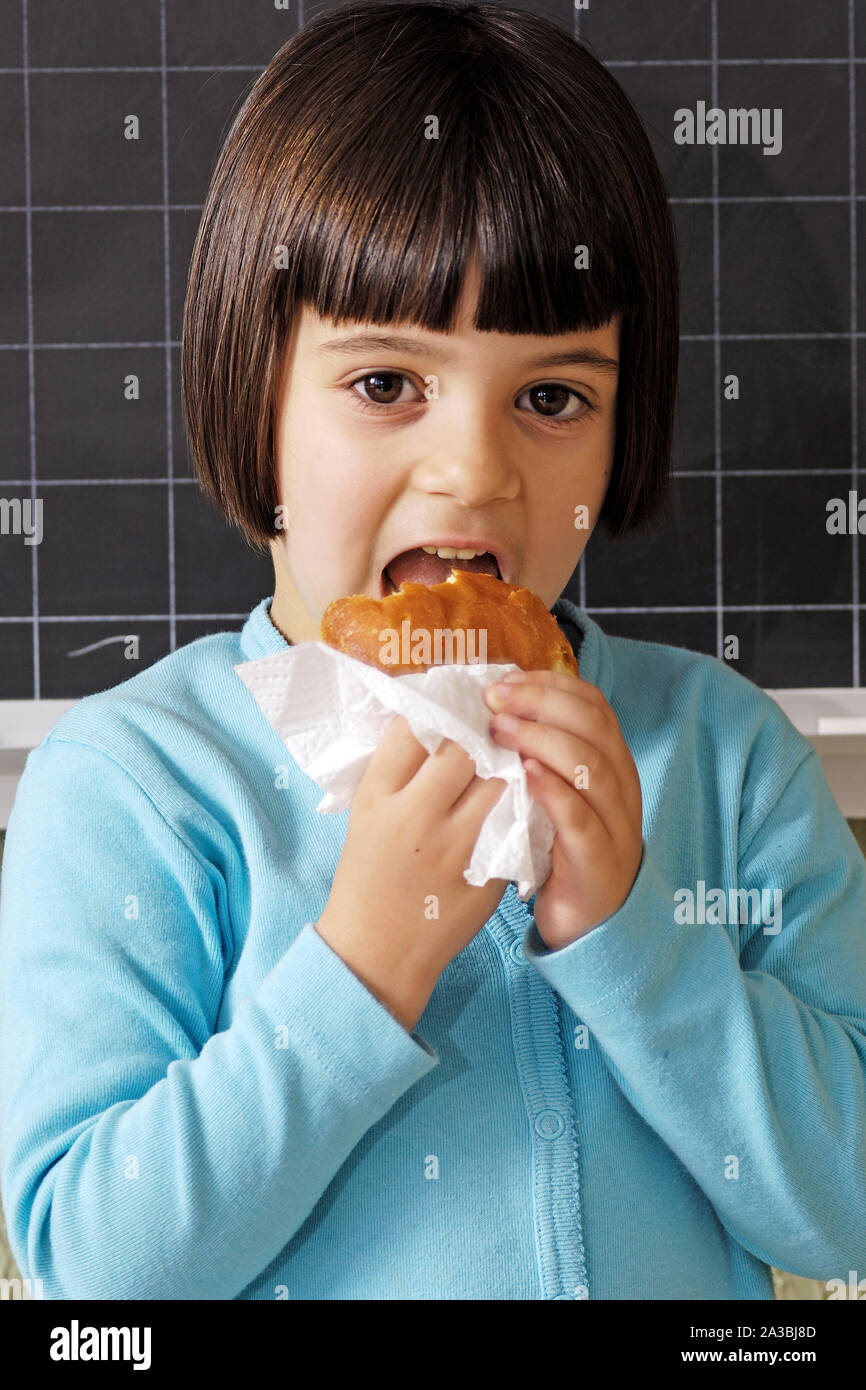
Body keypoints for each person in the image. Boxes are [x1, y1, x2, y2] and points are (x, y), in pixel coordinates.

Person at [1, 1, 864, 1301]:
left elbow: (841, 1212)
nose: (471, 470)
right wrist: (364, 961)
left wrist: (632, 939)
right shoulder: (138, 785)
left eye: (551, 396)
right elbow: (97, 1271)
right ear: (255, 393)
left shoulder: (726, 758)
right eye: (385, 384)